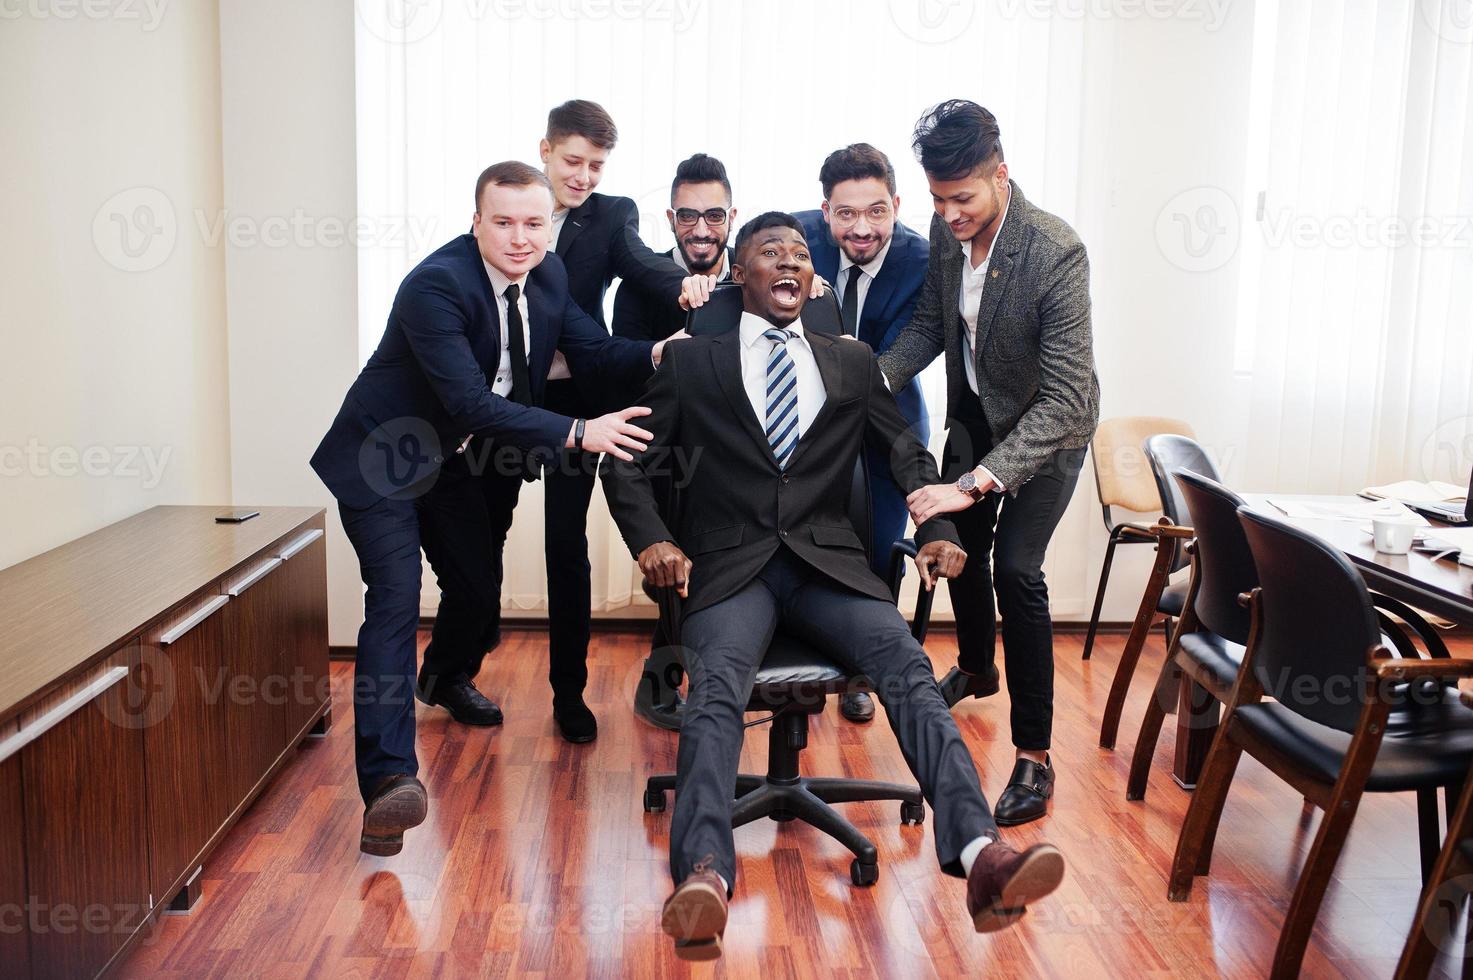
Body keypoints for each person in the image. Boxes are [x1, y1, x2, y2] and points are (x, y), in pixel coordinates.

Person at [601, 212, 1066, 962]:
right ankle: (704, 877)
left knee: (909, 673)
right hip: (731, 570)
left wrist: (940, 529)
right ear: (739, 276)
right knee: (715, 686)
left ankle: (980, 856)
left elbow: (904, 455)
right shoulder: (693, 363)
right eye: (768, 252)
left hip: (829, 568)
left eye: (797, 253)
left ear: (811, 279)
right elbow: (623, 463)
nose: (788, 261)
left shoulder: (850, 363)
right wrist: (653, 537)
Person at [311, 161, 676, 855]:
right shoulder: (435, 286)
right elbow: (469, 401)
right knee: (393, 599)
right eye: (502, 223)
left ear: (549, 228)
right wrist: (577, 431)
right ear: (475, 221)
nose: (518, 238)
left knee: (477, 591)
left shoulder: (546, 276)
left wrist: (660, 350)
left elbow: (591, 350)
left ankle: (444, 675)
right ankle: (389, 784)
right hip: (384, 454)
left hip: (453, 458)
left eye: (533, 224)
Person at [432, 100, 689, 746]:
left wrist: (690, 284)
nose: (584, 176)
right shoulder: (508, 215)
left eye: (596, 165)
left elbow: (641, 264)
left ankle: (568, 694)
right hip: (507, 406)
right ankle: (455, 668)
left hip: (579, 402)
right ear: (544, 150)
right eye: (573, 160)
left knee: (565, 550)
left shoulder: (612, 216)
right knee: (482, 539)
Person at [879, 101, 1100, 827]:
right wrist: (868, 380)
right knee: (956, 548)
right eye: (937, 201)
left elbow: (1066, 395)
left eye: (962, 198)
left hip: (1050, 430)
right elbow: (924, 330)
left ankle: (1033, 758)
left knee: (1015, 570)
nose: (948, 216)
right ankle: (977, 667)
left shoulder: (1054, 250)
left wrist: (973, 482)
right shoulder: (951, 237)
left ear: (1000, 175)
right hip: (977, 413)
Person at [793, 142, 930, 725]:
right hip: (801, 417)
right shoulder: (794, 239)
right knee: (802, 538)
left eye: (876, 210)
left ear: (896, 205)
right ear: (824, 211)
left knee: (876, 549)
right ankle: (799, 656)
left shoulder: (923, 261)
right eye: (846, 213)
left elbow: (907, 348)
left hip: (887, 415)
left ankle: (860, 671)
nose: (862, 227)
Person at [612, 151, 736, 731]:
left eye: (714, 215)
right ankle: (663, 684)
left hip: (743, 449)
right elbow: (627, 373)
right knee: (679, 565)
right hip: (669, 449)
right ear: (669, 218)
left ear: (732, 217)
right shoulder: (641, 286)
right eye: (688, 217)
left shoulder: (752, 276)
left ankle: (693, 685)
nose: (702, 230)